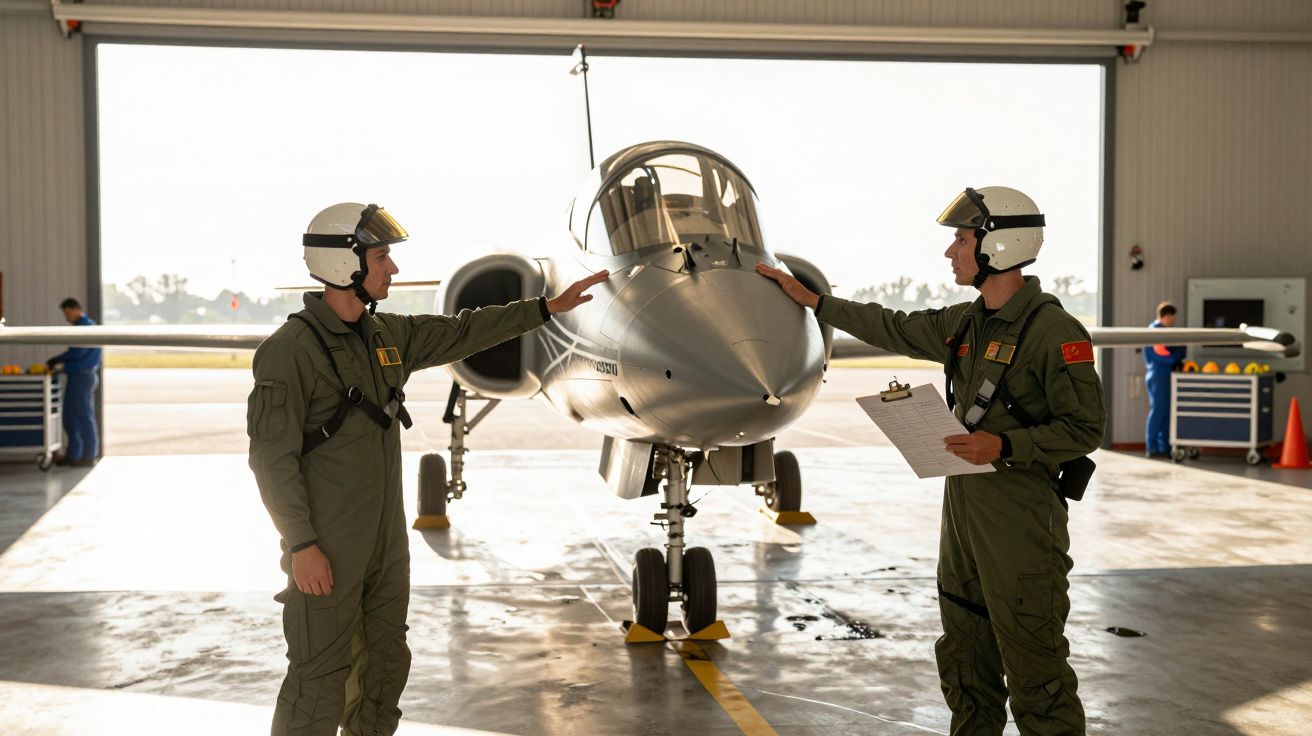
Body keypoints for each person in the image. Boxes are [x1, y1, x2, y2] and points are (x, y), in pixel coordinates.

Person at [247, 202, 607, 735]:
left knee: (386, 666)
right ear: (343, 264)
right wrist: (301, 545)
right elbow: (271, 460)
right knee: (319, 676)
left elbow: (464, 332)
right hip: (326, 545)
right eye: (382, 257)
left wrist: (545, 309)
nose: (392, 268)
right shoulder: (290, 352)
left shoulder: (386, 336)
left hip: (385, 544)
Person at [757, 186, 1105, 735]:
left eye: (962, 241)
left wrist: (1006, 445)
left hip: (1019, 515)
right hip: (963, 510)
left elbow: (1086, 427)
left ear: (1000, 245)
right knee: (965, 654)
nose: (951, 253)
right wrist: (816, 302)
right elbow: (892, 325)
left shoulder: (1052, 331)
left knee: (1034, 666)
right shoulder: (966, 323)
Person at [46, 297, 102, 468]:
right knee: (70, 417)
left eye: (67, 313)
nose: (66, 318)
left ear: (75, 309)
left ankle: (88, 455)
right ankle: (74, 455)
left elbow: (77, 354)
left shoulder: (85, 327)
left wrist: (58, 360)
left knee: (83, 416)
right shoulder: (82, 326)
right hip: (77, 376)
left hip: (82, 377)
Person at [1143, 302, 1186, 458]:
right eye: (1172, 318)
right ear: (1166, 316)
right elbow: (1163, 356)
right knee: (1158, 411)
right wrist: (1176, 357)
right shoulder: (1155, 333)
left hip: (1165, 375)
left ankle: (1164, 447)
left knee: (1166, 412)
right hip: (1158, 375)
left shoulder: (1163, 332)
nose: (1173, 321)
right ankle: (1152, 447)